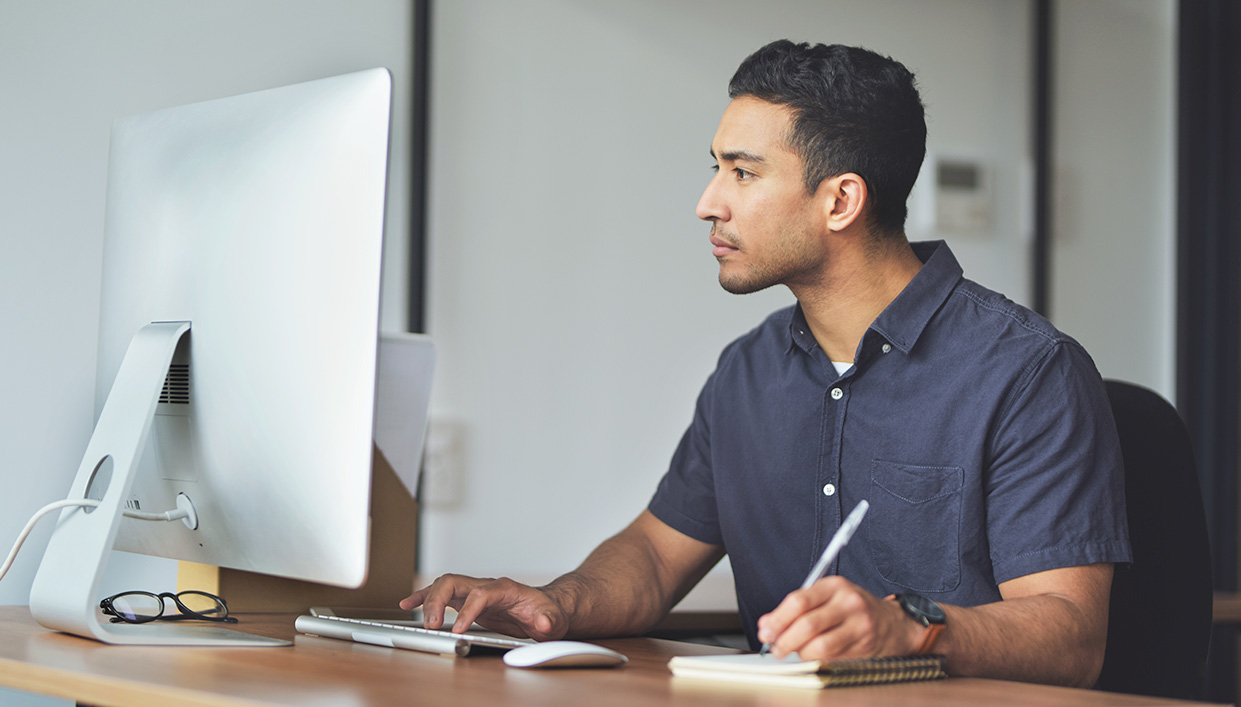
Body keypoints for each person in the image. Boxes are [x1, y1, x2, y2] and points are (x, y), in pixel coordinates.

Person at [402, 40, 1130, 688]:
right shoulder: (746, 372)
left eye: (742, 173)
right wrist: (554, 602)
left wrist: (909, 625)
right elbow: (655, 556)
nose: (706, 203)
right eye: (715, 168)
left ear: (839, 200)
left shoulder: (1028, 371)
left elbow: (1071, 635)